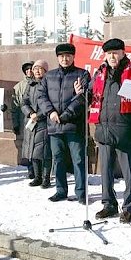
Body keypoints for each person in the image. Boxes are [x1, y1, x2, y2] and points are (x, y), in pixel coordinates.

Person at [81, 38, 131, 224]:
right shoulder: (100, 73)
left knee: (129, 172)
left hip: (127, 131)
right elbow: (90, 93)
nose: (112, 56)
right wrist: (82, 91)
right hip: (104, 130)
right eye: (108, 53)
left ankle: (128, 208)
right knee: (106, 172)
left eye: (115, 52)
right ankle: (108, 204)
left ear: (123, 53)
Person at [38, 43, 91, 203]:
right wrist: (51, 112)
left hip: (74, 126)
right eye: (61, 56)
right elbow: (41, 96)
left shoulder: (82, 74)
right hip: (54, 126)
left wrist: (66, 115)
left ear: (73, 56)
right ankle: (61, 191)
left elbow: (85, 97)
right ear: (57, 58)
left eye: (68, 55)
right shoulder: (49, 76)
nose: (65, 59)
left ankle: (82, 194)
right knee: (58, 159)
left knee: (79, 160)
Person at [21, 59, 52, 188]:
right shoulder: (31, 85)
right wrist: (30, 113)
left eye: (40, 68)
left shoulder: (50, 84)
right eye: (35, 69)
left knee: (44, 152)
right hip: (31, 122)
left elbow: (52, 103)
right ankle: (37, 176)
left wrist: (38, 115)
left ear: (45, 71)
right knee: (32, 151)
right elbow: (24, 102)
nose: (37, 71)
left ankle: (46, 178)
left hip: (44, 122)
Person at [12, 61, 34, 177]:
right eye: (27, 70)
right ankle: (30, 168)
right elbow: (14, 107)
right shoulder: (19, 86)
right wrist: (15, 123)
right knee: (27, 145)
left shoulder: (42, 82)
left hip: (39, 118)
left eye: (31, 69)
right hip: (25, 120)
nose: (29, 71)